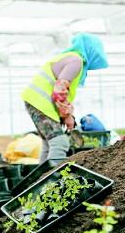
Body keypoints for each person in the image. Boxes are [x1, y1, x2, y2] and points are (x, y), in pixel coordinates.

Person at [21, 33, 108, 163]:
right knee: (60, 142)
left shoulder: (71, 58)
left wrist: (69, 115)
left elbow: (61, 93)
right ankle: (53, 179)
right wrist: (66, 116)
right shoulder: (76, 61)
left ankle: (40, 178)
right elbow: (59, 90)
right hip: (40, 103)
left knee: (49, 143)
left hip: (36, 102)